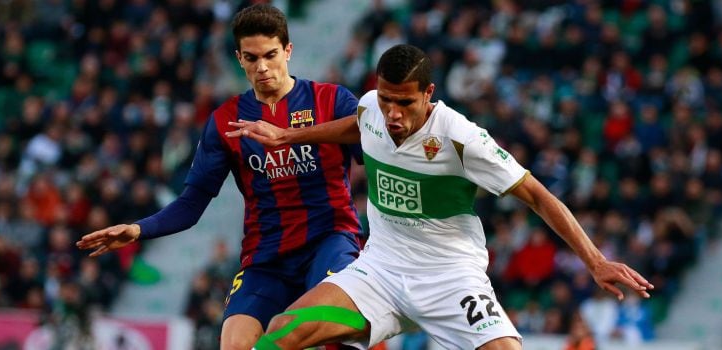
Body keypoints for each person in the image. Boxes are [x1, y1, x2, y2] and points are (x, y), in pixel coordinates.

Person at [229, 44, 654, 349]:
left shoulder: (461, 138)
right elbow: (357, 125)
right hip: (380, 271)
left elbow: (538, 195)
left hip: (449, 276)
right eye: (387, 99)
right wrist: (288, 135)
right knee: (284, 331)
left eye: (405, 103)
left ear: (428, 94)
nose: (392, 113)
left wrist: (595, 260)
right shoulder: (374, 108)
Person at [76, 4, 363, 350]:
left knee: (324, 328)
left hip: (329, 241)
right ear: (238, 58)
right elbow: (191, 204)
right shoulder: (227, 120)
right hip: (267, 257)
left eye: (270, 54)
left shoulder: (332, 101)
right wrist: (139, 229)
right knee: (234, 344)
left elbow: (376, 160)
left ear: (288, 50)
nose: (262, 67)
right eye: (251, 58)